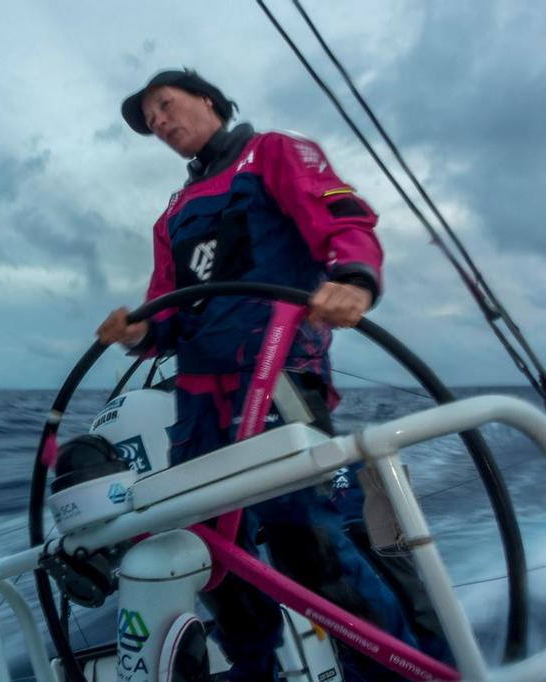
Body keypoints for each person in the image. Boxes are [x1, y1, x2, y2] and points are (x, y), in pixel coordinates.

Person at [96, 68, 441, 680]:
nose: (161, 125)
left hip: (277, 378)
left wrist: (354, 279)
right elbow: (169, 312)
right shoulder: (172, 214)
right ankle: (256, 671)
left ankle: (396, 672)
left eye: (166, 107)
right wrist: (138, 334)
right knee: (210, 555)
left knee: (306, 549)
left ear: (207, 100)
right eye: (151, 123)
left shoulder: (273, 153)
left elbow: (345, 221)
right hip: (199, 405)